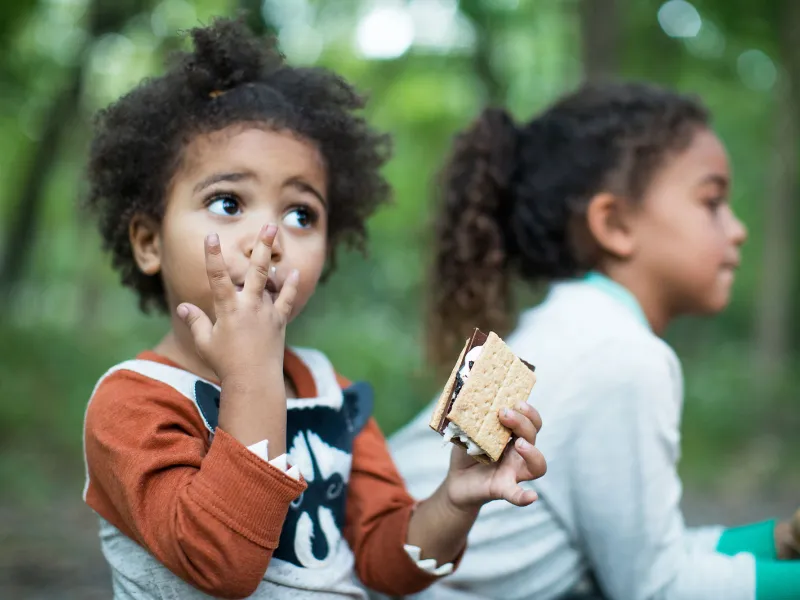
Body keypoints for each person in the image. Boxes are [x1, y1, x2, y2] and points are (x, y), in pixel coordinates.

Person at [80, 18, 547, 600]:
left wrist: (454, 501)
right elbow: (221, 565)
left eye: (302, 214)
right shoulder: (131, 404)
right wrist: (250, 376)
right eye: (227, 202)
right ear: (149, 241)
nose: (269, 236)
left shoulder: (333, 392)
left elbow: (385, 565)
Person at [390, 81, 800, 600]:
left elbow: (647, 556)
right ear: (615, 223)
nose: (736, 229)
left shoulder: (576, 324)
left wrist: (778, 541)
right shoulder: (621, 356)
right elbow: (657, 590)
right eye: (712, 202)